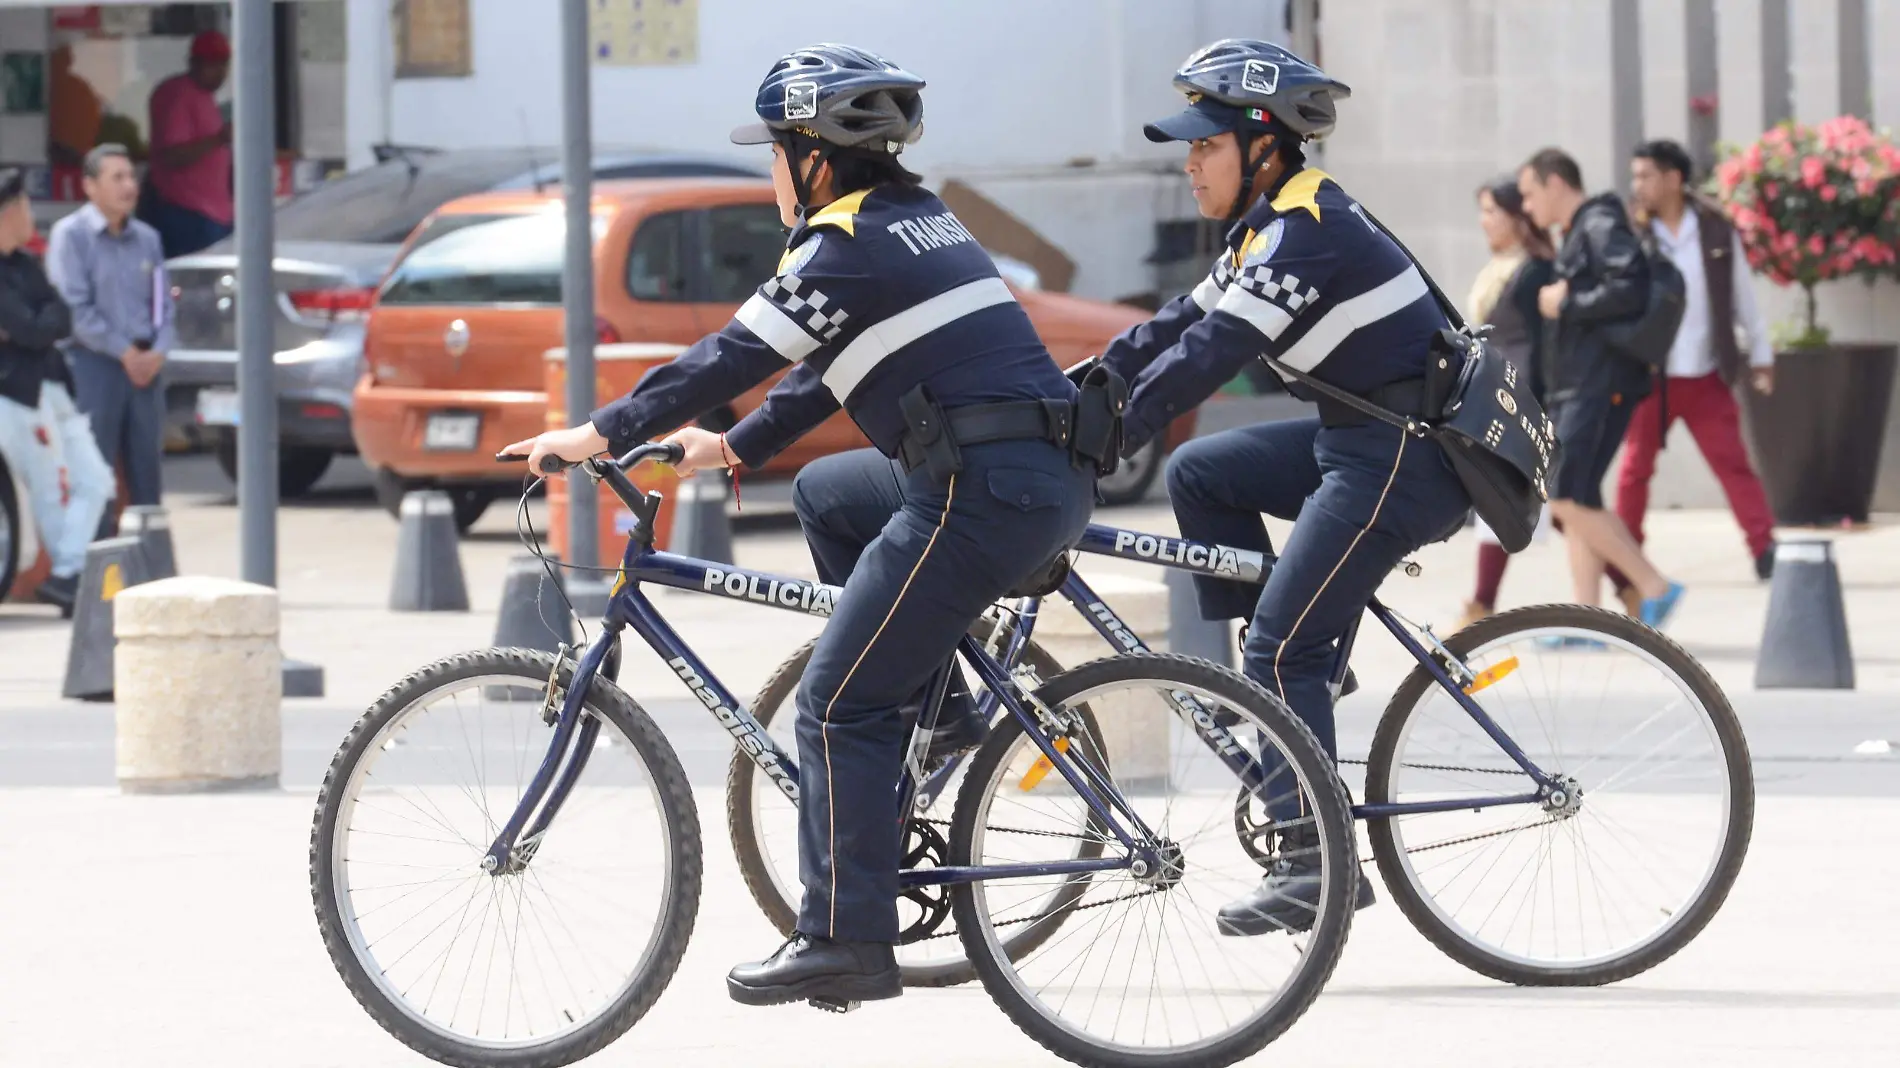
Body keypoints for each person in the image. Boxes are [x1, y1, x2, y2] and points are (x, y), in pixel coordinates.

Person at [500, 44, 1099, 1007]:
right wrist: (734, 449)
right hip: (1031, 477)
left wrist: (594, 432)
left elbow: (727, 354)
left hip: (978, 494)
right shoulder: (919, 222)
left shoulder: (844, 243)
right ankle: (940, 717)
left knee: (836, 706)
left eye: (775, 150)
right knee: (829, 494)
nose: (770, 169)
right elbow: (824, 366)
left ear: (815, 157)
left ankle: (845, 940)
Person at [1104, 40, 1472, 934]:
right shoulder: (1267, 226)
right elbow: (1170, 327)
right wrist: (1072, 395)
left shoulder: (1309, 231)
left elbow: (1213, 354)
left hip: (1401, 460)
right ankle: (1307, 659)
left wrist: (1107, 442)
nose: (1189, 162)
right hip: (1359, 441)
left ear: (1263, 144)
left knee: (1275, 653)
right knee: (1203, 471)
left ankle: (1315, 865)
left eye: (1205, 144)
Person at [1517, 148, 1684, 634]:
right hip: (1584, 384)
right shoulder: (1586, 228)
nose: (1527, 208)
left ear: (1555, 184)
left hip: (1600, 385)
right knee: (1579, 496)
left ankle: (1655, 587)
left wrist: (1567, 302)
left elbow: (1628, 288)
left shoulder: (1598, 223)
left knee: (1566, 497)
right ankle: (1588, 622)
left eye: (1529, 195)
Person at [1620, 139, 1777, 582]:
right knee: (1634, 471)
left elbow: (1743, 297)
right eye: (1636, 176)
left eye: (1646, 175)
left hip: (1706, 374)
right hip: (1651, 377)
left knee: (1733, 462)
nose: (1638, 185)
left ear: (1674, 179)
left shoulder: (1714, 228)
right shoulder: (1634, 231)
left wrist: (1761, 356)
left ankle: (1765, 550)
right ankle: (1625, 561)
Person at [0, 168, 114, 614]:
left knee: (96, 480)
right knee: (51, 488)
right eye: (25, 207)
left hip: (53, 387)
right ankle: (68, 572)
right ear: (8, 212)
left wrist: (31, 327)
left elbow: (57, 317)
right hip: (18, 394)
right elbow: (29, 326)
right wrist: (33, 326)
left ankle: (67, 573)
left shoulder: (25, 265)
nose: (31, 216)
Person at [46, 144, 176, 513]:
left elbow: (163, 305)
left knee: (146, 475)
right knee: (95, 474)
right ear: (90, 186)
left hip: (145, 370)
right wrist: (124, 352)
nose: (128, 186)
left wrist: (157, 352)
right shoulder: (70, 236)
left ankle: (150, 563)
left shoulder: (147, 239)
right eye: (116, 177)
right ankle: (97, 563)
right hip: (94, 366)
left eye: (131, 176)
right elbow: (75, 309)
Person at [1456, 177, 1556, 631]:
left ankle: (1480, 605)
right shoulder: (1502, 267)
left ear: (1518, 216)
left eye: (1492, 211)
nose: (1484, 221)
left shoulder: (1535, 270)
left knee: (1514, 497)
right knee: (1559, 507)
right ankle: (1633, 583)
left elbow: (1542, 345)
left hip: (1524, 400)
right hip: (1503, 396)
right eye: (1480, 210)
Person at [144, 31, 232, 258]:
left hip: (215, 215)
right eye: (212, 64)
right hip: (186, 215)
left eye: (224, 64)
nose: (220, 72)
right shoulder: (177, 94)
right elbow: (172, 155)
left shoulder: (206, 97)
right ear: (194, 62)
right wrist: (219, 139)